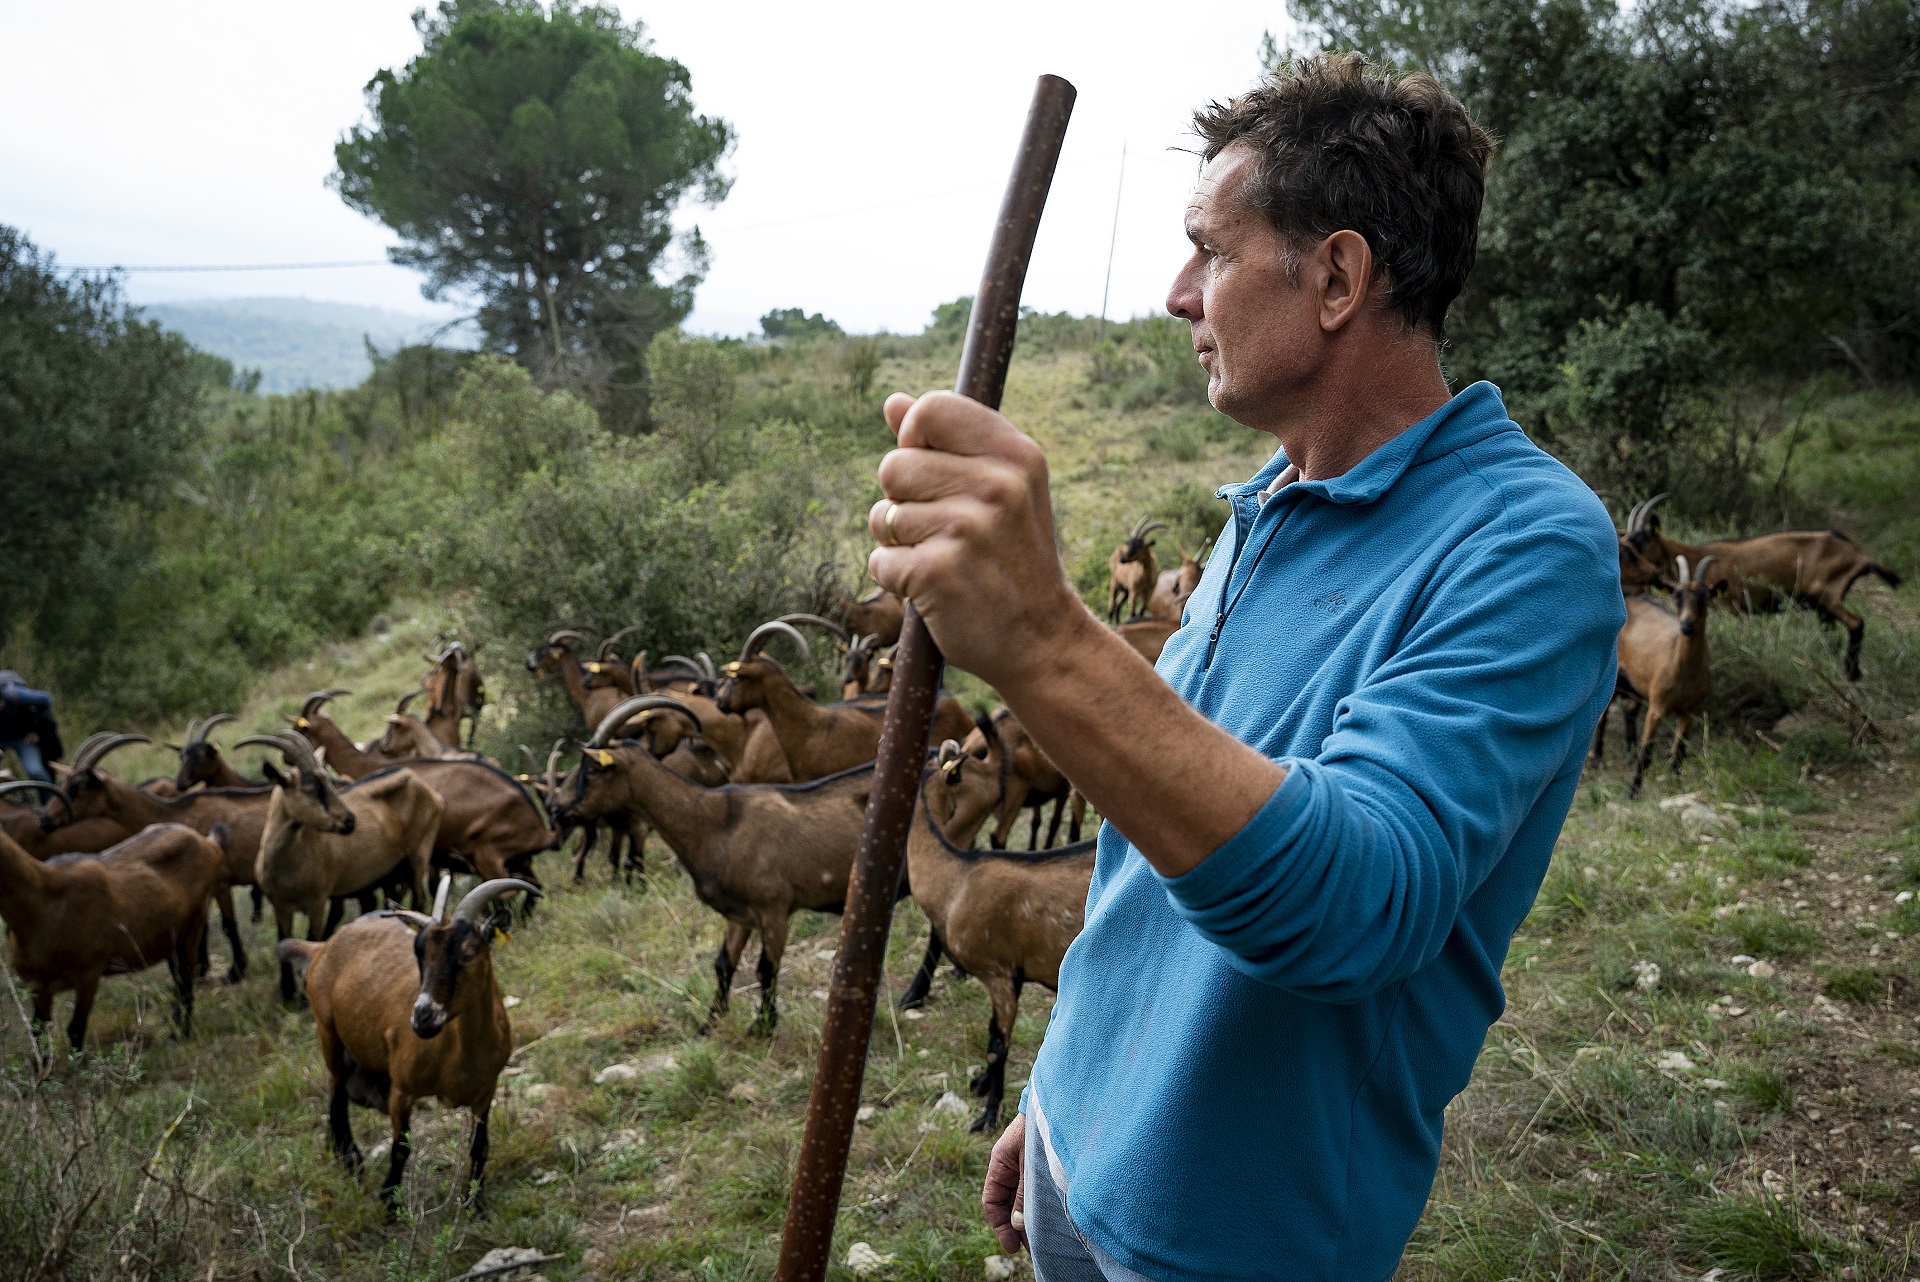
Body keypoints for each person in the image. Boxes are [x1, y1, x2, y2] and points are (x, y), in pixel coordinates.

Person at [865, 55, 1625, 1282]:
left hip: (1234, 1243)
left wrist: (1048, 641)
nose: (1177, 294)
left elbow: (1355, 905)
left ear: (1334, 277)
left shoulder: (1526, 545)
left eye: (1208, 251)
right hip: (1082, 1159)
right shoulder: (1272, 501)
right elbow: (1151, 834)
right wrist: (1066, 1086)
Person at [0, 670, 61, 784]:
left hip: (22, 737)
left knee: (35, 772)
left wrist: (37, 731)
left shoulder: (16, 695)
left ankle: (51, 799)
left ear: (2, 701)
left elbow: (46, 699)